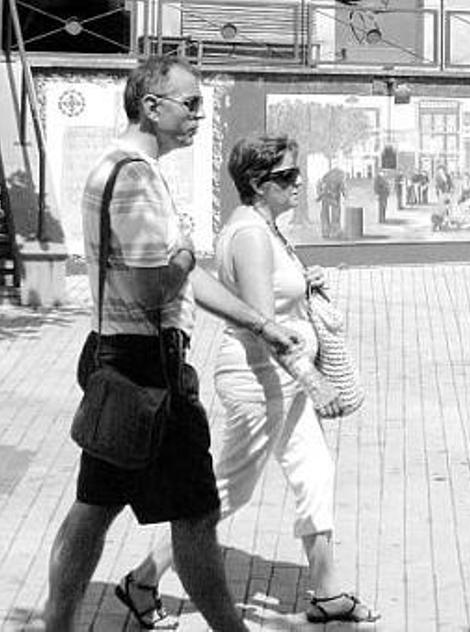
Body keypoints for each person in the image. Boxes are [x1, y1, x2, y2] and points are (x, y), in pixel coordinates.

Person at [43, 55, 301, 632]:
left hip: (119, 359)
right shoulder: (136, 177)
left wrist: (259, 324)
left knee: (96, 505)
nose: (198, 116)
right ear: (151, 106)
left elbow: (179, 278)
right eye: (190, 104)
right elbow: (155, 283)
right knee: (196, 514)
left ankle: (56, 624)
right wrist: (184, 251)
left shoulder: (119, 167)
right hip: (147, 369)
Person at [120, 135, 379, 625]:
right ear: (258, 184)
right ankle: (143, 578)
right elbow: (265, 325)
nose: (298, 182)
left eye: (297, 173)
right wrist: (315, 382)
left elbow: (275, 298)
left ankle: (328, 594)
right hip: (261, 378)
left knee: (314, 473)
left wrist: (306, 284)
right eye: (287, 176)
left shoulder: (266, 228)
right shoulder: (251, 235)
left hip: (283, 380)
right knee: (228, 490)